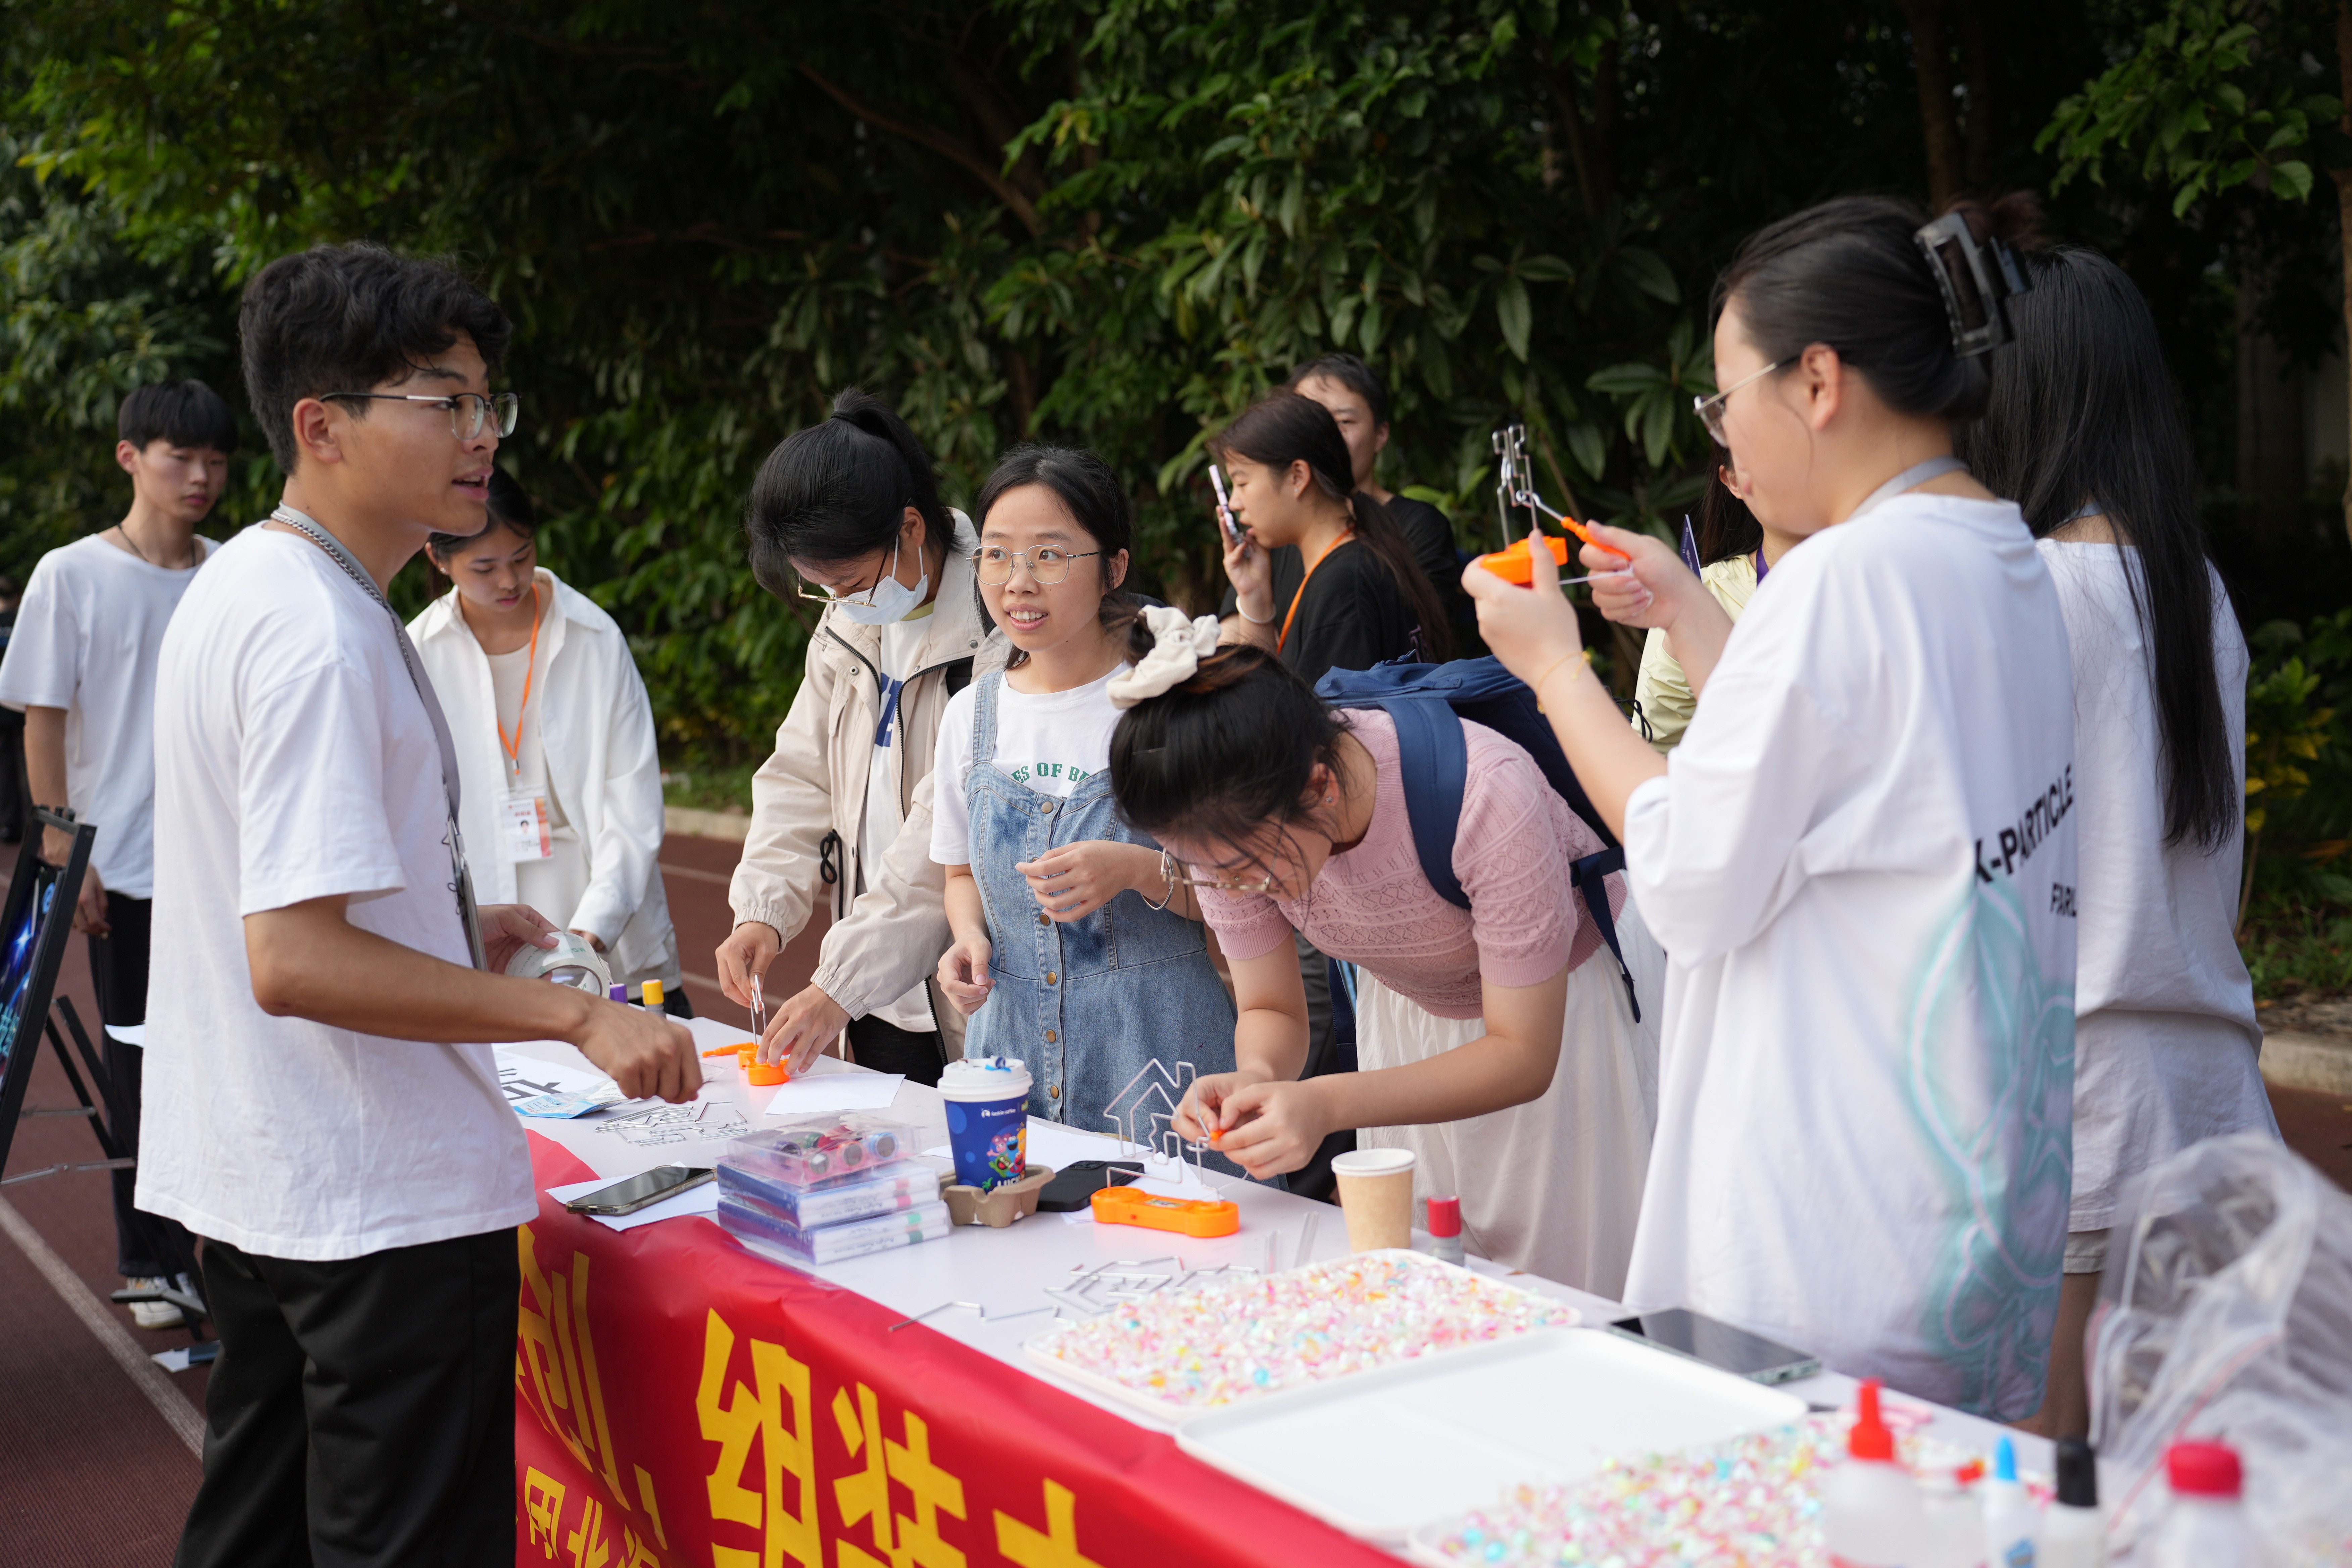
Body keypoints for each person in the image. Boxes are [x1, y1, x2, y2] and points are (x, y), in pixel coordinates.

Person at [1463, 195, 2077, 1419]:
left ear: (1818, 381)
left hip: (1827, 1240)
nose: (1722, 429)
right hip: (1969, 1208)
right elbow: (1834, 775)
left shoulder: (1844, 575)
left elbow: (1692, 875)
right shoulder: (2002, 553)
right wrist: (1689, 609)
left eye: (1723, 398)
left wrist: (1556, 672)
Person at [139, 241, 697, 1565]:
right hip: (374, 1201)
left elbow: (285, 900)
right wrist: (576, 1014)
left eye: (486, 401)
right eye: (445, 402)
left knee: (257, 1529)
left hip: (267, 1177)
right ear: (322, 426)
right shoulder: (318, 632)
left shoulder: (253, 585)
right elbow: (295, 957)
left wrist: (449, 930)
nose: (482, 434)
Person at [1958, 246, 2282, 1438]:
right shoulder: (2192, 587)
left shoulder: (2028, 588)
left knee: (2049, 1468)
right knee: (2189, 1463)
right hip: (2206, 1094)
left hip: (2077, 1099)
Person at [1108, 640, 1652, 1291]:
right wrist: (1256, 1078)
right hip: (1405, 1019)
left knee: (1554, 1286)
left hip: (1564, 1016)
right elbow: (1269, 1006)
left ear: (1320, 784)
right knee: (1417, 1274)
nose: (1231, 887)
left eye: (1244, 865)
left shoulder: (1484, 790)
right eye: (1206, 870)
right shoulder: (1222, 827)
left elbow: (1522, 1053)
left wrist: (1323, 1103)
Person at [0, 379, 234, 1328]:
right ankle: (151, 1263)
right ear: (130, 457)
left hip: (227, 869)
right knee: (138, 1067)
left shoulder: (232, 570)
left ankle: (229, 1255)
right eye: (182, 456)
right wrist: (64, 841)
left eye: (216, 459)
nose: (202, 475)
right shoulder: (72, 574)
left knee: (232, 1060)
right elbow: (43, 717)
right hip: (128, 868)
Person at [932, 446, 1238, 1138]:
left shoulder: (1163, 703)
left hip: (1159, 1060)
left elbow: (1245, 894)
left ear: (1114, 569)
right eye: (997, 555)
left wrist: (1135, 870)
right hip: (1010, 1059)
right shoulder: (971, 715)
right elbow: (958, 875)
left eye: (1049, 555)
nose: (1018, 582)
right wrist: (968, 938)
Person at [720, 389, 1004, 1084]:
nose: (839, 603)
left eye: (847, 582)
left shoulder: (999, 621)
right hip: (878, 999)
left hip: (975, 986)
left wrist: (839, 981)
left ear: (910, 527)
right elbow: (799, 772)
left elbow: (944, 829)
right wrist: (761, 912)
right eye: (820, 588)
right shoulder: (850, 619)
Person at [410, 470, 685, 1011]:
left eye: (522, 556)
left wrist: (588, 936)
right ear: (439, 559)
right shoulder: (419, 653)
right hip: (490, 948)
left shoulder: (594, 637)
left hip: (608, 934)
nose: (509, 581)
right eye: (485, 568)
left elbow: (631, 802)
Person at [1215, 388, 1453, 683]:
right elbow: (1271, 694)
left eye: (1242, 483)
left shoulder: (1343, 584)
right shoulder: (1359, 556)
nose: (1234, 503)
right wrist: (1255, 596)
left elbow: (1325, 715)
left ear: (1298, 476)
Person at [1282, 352, 1467, 634]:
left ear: (1381, 435)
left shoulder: (1419, 527)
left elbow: (1426, 640)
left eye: (1344, 422)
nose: (1325, 438)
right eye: (1310, 422)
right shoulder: (1276, 529)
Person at [1632, 464, 1803, 752]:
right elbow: (1653, 747)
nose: (1787, 466)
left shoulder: (1874, 578)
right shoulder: (1702, 592)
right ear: (1733, 480)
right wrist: (1681, 641)